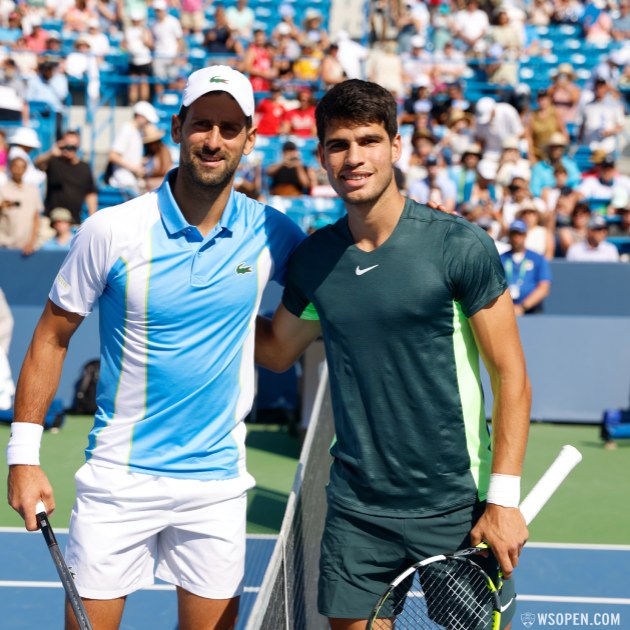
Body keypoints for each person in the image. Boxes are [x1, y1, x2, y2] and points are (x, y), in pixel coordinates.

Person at [6, 64, 305, 630]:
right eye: (201, 124)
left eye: (229, 128)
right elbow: (50, 335)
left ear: (249, 139)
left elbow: (337, 281)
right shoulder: (111, 229)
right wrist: (23, 457)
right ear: (176, 128)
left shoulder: (274, 232)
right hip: (117, 480)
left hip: (216, 484)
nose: (213, 140)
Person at [255, 79, 531, 630]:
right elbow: (278, 351)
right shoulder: (316, 259)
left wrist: (502, 499)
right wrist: (201, 301)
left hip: (456, 505)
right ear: (322, 156)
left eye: (369, 141)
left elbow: (511, 377)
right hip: (357, 512)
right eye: (338, 145)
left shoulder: (458, 245)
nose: (354, 157)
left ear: (396, 147)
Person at [34, 129, 98, 225]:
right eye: (67, 145)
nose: (70, 149)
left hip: (73, 221)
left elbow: (90, 193)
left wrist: (92, 218)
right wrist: (51, 152)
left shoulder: (84, 167)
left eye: (73, 146)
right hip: (51, 220)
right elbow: (37, 163)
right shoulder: (54, 161)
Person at [106, 100, 159, 194]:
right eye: (147, 120)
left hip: (130, 181)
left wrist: (140, 162)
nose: (148, 123)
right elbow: (112, 155)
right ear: (139, 116)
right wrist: (135, 168)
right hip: (123, 182)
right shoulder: (127, 129)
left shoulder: (137, 132)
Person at [501, 220, 552, 315]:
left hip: (532, 311)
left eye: (520, 234)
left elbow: (544, 287)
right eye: (513, 234)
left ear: (525, 235)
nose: (516, 237)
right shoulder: (501, 258)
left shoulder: (537, 258)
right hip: (505, 310)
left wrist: (523, 307)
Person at [0, 153, 42, 255]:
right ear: (10, 168)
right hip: (5, 244)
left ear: (25, 169)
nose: (18, 170)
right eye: (16, 166)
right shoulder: (2, 189)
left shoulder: (33, 190)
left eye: (22, 167)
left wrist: (32, 242)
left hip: (26, 246)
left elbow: (36, 218)